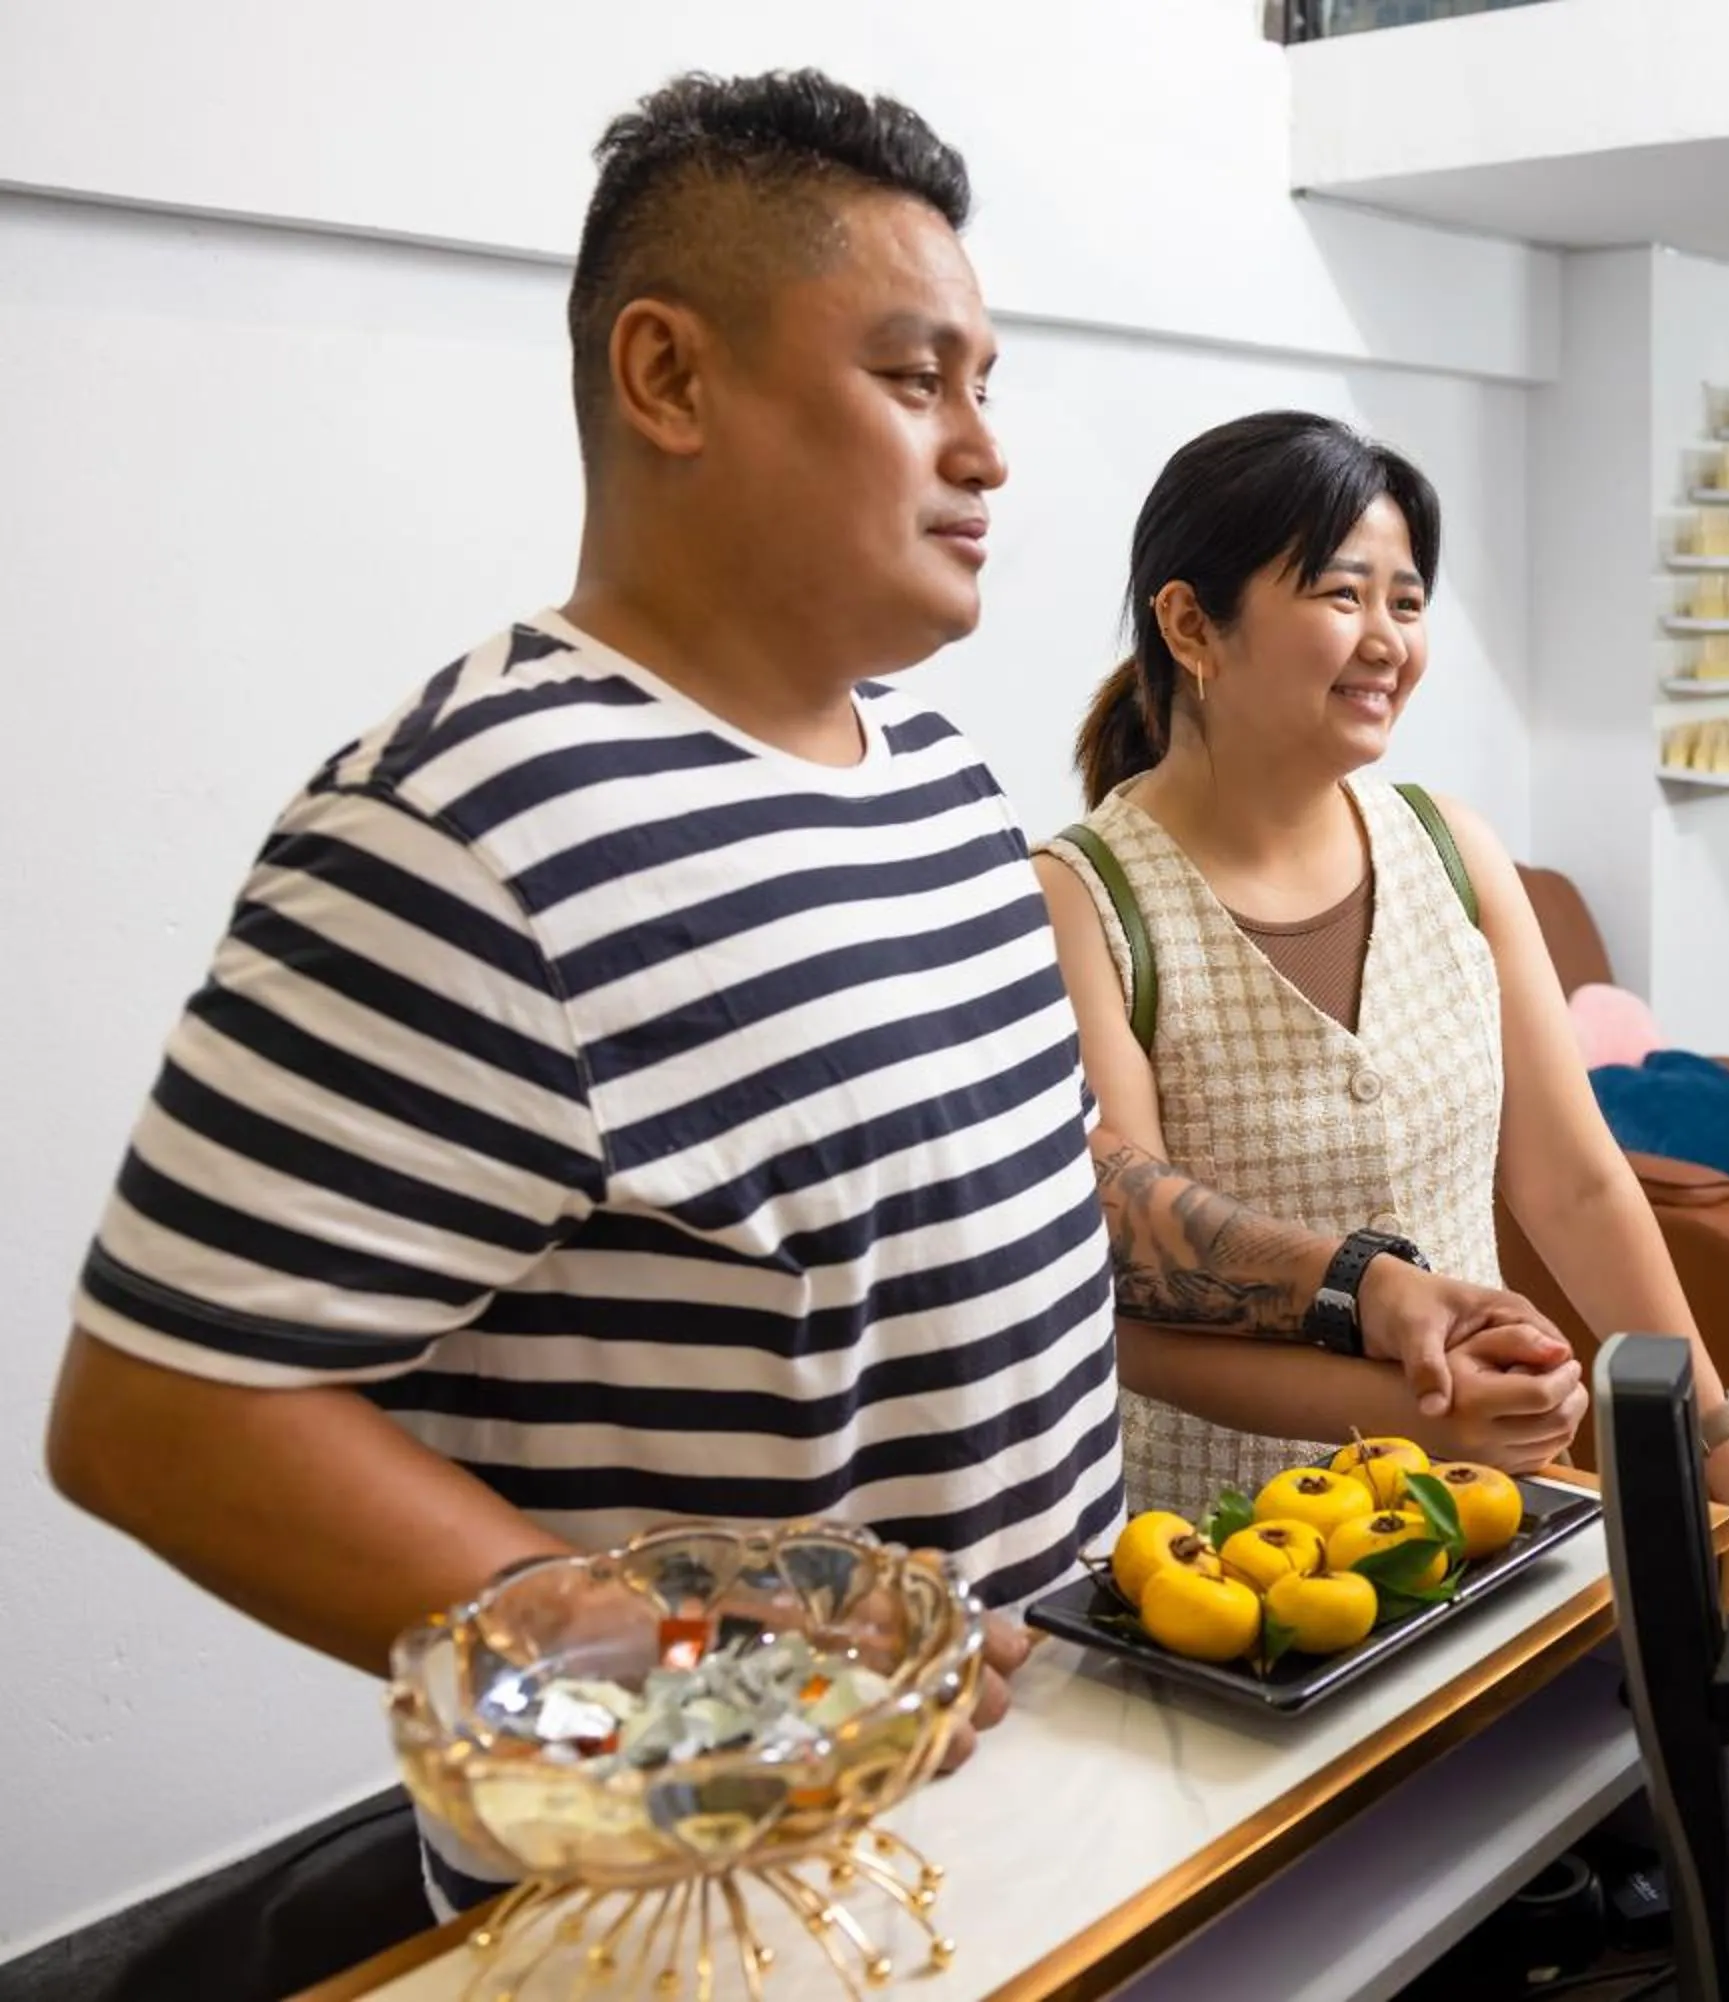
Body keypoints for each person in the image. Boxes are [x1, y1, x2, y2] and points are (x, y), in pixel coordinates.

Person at [37, 72, 1531, 1934]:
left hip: (1043, 1805)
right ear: (669, 380)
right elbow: (162, 1410)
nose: (984, 451)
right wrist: (700, 1677)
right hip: (703, 1896)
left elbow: (1045, 1190)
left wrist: (1352, 1289)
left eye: (987, 387)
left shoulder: (939, 778)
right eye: (915, 382)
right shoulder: (474, 828)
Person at [1038, 412, 1729, 1555]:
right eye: (1344, 595)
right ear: (1193, 623)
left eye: (1407, 600)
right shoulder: (1084, 899)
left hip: (1482, 1525)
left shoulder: (1455, 851)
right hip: (1229, 1564)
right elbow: (1127, 1296)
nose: (1388, 637)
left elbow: (1577, 1187)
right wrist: (1422, 1409)